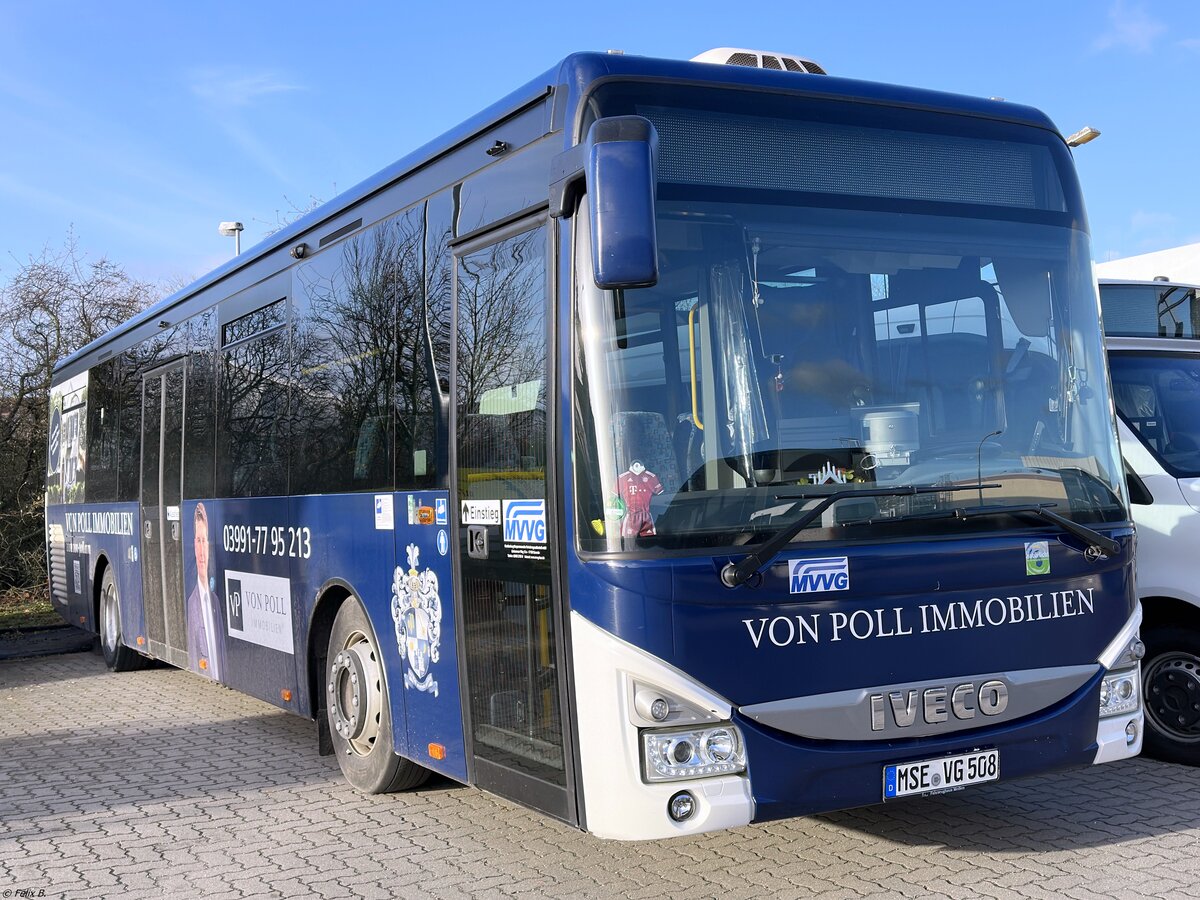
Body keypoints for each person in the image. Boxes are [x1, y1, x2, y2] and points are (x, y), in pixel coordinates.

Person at [186, 502, 225, 680]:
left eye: (205, 541)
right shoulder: (192, 605)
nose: (202, 551)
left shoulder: (215, 601)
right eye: (198, 541)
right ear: (194, 545)